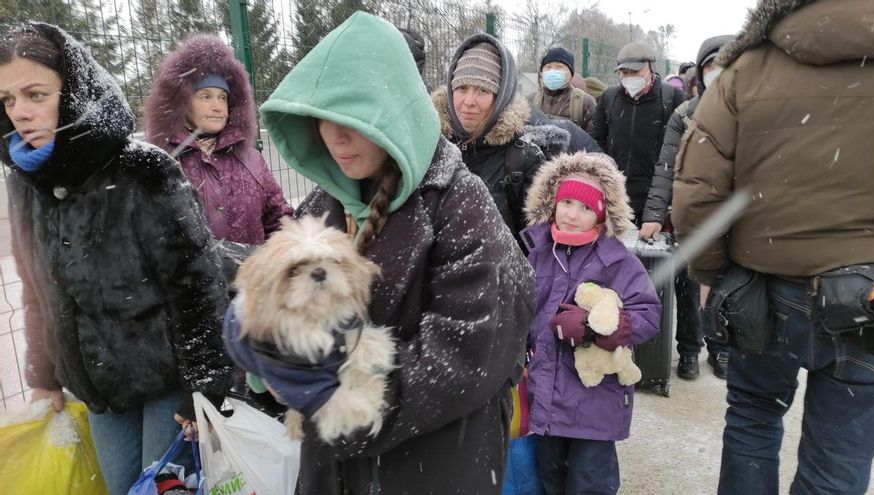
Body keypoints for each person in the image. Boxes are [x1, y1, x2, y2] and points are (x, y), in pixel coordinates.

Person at [224, 12, 535, 493]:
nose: (335, 136)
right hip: (333, 476)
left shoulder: (462, 207)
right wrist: (263, 346)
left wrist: (340, 399)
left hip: (431, 470)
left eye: (353, 118)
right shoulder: (322, 206)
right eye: (323, 118)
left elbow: (467, 357)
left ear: (396, 111)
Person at [0, 23, 232, 494]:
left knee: (164, 488)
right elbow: (35, 289)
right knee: (120, 485)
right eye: (6, 99)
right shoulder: (25, 182)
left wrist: (202, 386)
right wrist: (44, 374)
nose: (20, 112)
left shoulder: (142, 170)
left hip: (167, 381)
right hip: (98, 387)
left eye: (35, 94)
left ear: (75, 92)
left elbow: (196, 284)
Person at [672, 0, 874, 493]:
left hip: (763, 287)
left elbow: (698, 190)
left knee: (752, 418)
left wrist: (712, 274)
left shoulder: (749, 66)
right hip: (870, 293)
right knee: (840, 454)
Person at [520, 152, 661, 494]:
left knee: (589, 482)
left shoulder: (618, 262)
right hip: (543, 395)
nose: (572, 214)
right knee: (548, 479)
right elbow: (517, 308)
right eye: (566, 202)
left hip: (594, 401)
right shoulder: (535, 251)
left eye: (585, 208)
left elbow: (647, 315)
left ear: (602, 214)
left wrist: (594, 326)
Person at [640, 35, 734, 380]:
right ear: (700, 71)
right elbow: (665, 168)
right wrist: (652, 215)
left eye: (726, 63)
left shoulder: (753, 111)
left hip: (736, 217)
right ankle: (690, 350)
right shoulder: (685, 115)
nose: (719, 71)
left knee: (729, 289)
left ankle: (722, 348)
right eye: (711, 64)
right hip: (692, 216)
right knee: (690, 288)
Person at [143, 34, 293, 247]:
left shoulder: (252, 160)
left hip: (249, 279)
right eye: (206, 96)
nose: (218, 106)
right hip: (192, 280)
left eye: (222, 97)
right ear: (182, 103)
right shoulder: (161, 162)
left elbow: (279, 220)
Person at [430, 34, 546, 243]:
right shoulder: (431, 146)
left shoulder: (523, 159)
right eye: (462, 88)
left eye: (482, 90)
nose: (468, 101)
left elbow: (536, 249)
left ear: (500, 96)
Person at [589, 41, 685, 225]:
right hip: (615, 197)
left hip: (657, 196)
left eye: (636, 71)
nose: (629, 77)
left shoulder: (672, 98)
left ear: (651, 68)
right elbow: (596, 139)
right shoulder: (610, 97)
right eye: (624, 72)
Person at [531, 47, 597, 132]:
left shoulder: (585, 102)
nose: (553, 71)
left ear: (571, 74)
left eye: (559, 67)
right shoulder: (530, 101)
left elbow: (593, 140)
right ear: (541, 73)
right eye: (548, 67)